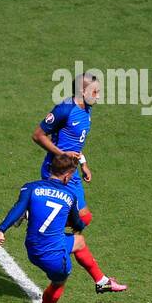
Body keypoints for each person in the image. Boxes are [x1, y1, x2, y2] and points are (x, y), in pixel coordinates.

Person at [0, 153, 128, 303]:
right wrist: (81, 222)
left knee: (79, 242)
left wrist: (1, 230)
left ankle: (102, 281)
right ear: (67, 176)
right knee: (58, 282)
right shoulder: (70, 196)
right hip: (53, 255)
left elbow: (16, 208)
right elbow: (78, 224)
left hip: (32, 247)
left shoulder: (31, 188)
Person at [33, 72, 100, 229]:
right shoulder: (64, 110)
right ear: (82, 92)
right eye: (95, 92)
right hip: (57, 171)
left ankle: (40, 223)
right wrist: (62, 154)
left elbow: (75, 144)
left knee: (82, 220)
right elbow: (38, 135)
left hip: (72, 171)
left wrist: (83, 164)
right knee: (80, 221)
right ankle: (35, 217)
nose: (98, 97)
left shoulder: (86, 109)